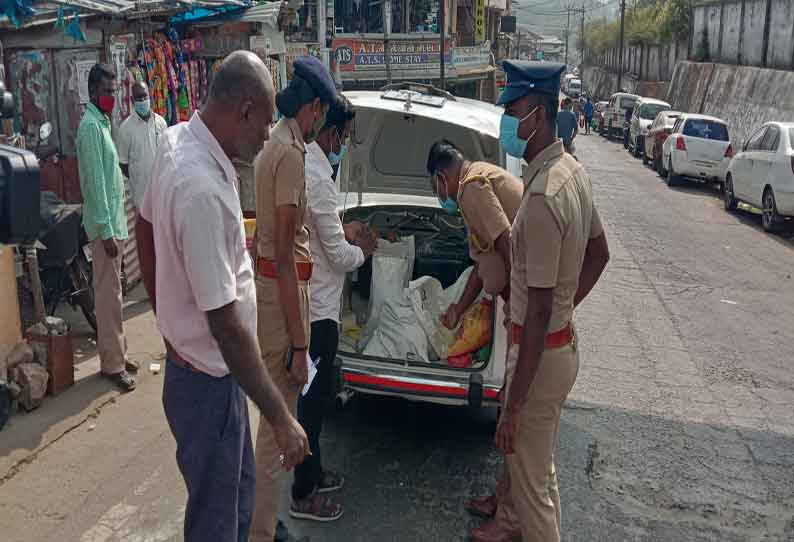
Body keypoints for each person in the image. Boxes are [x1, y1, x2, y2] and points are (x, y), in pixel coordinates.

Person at [136, 51, 309, 542]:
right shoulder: (202, 190)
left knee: (236, 504)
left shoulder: (177, 142)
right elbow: (226, 327)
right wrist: (280, 419)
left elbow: (144, 223)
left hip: (203, 372)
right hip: (209, 382)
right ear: (246, 110)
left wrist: (163, 312)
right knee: (216, 522)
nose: (265, 138)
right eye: (265, 123)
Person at [494, 60, 611, 542]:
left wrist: (513, 406)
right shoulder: (572, 173)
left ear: (537, 116)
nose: (506, 121)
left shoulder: (542, 196)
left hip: (538, 360)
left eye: (513, 110)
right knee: (541, 478)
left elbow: (539, 309)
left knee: (530, 493)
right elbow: (599, 255)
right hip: (558, 348)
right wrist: (563, 313)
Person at [249, 56, 339, 542]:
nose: (321, 121)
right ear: (313, 108)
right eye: (321, 112)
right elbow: (284, 255)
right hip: (283, 295)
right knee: (276, 425)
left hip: (276, 291)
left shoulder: (279, 144)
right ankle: (262, 531)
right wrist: (301, 345)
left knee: (273, 420)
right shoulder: (289, 153)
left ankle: (264, 520)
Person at [426, 140, 522, 542]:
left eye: (435, 186)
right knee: (509, 413)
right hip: (518, 306)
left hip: (526, 314)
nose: (439, 194)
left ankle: (510, 521)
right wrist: (459, 309)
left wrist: (518, 301)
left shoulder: (470, 188)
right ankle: (503, 500)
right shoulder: (475, 180)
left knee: (517, 417)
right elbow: (483, 266)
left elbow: (506, 243)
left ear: (440, 177)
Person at [291, 94, 377, 521]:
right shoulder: (319, 178)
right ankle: (303, 492)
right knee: (310, 404)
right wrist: (364, 249)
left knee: (317, 400)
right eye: (343, 135)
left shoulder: (311, 165)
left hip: (317, 300)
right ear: (330, 132)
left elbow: (321, 229)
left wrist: (345, 230)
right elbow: (339, 256)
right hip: (318, 311)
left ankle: (315, 469)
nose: (344, 142)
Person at [76, 63, 137, 392]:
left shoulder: (100, 124)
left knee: (115, 296)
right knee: (107, 296)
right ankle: (112, 364)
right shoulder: (89, 128)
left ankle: (118, 353)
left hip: (113, 223)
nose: (112, 97)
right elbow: (95, 186)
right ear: (93, 92)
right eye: (107, 92)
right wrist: (106, 231)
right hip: (104, 229)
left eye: (114, 91)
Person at [116, 81, 167, 210]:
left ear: (150, 96)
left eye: (145, 96)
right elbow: (123, 165)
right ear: (133, 101)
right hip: (141, 198)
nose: (143, 100)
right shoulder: (125, 129)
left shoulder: (161, 123)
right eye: (139, 98)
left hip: (162, 193)